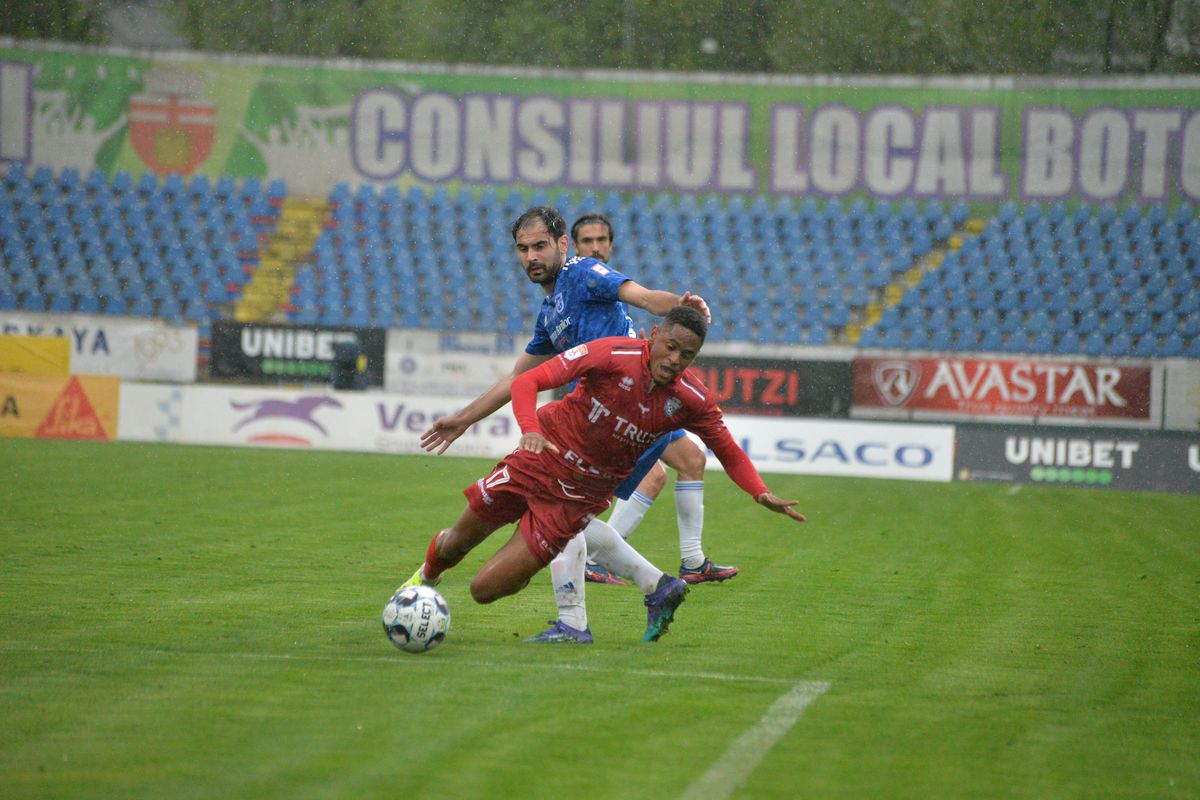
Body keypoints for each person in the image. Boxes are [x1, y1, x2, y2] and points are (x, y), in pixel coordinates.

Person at [401, 306, 805, 643]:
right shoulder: (611, 354)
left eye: (688, 354)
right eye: (670, 347)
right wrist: (530, 429)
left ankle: (539, 567)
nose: (675, 360)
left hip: (575, 500)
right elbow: (530, 380)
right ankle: (424, 580)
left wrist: (760, 492)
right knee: (455, 544)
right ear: (652, 335)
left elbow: (728, 451)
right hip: (536, 462)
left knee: (483, 591)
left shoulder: (690, 400)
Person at [419, 206, 711, 642]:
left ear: (562, 245)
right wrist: (463, 419)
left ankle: (583, 618)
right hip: (601, 412)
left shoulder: (584, 272)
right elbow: (519, 379)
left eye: (540, 246)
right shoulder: (551, 312)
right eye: (523, 249)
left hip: (626, 408)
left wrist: (683, 307)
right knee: (570, 507)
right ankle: (658, 584)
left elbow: (643, 297)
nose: (531, 256)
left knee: (565, 504)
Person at [569, 212, 736, 585]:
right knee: (596, 491)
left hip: (635, 388)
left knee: (686, 460)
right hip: (607, 397)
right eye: (587, 241)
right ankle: (590, 558)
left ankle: (689, 560)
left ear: (610, 244)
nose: (595, 248)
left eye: (601, 240)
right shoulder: (585, 282)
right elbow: (645, 298)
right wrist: (682, 305)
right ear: (573, 247)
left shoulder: (606, 287)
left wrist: (645, 347)